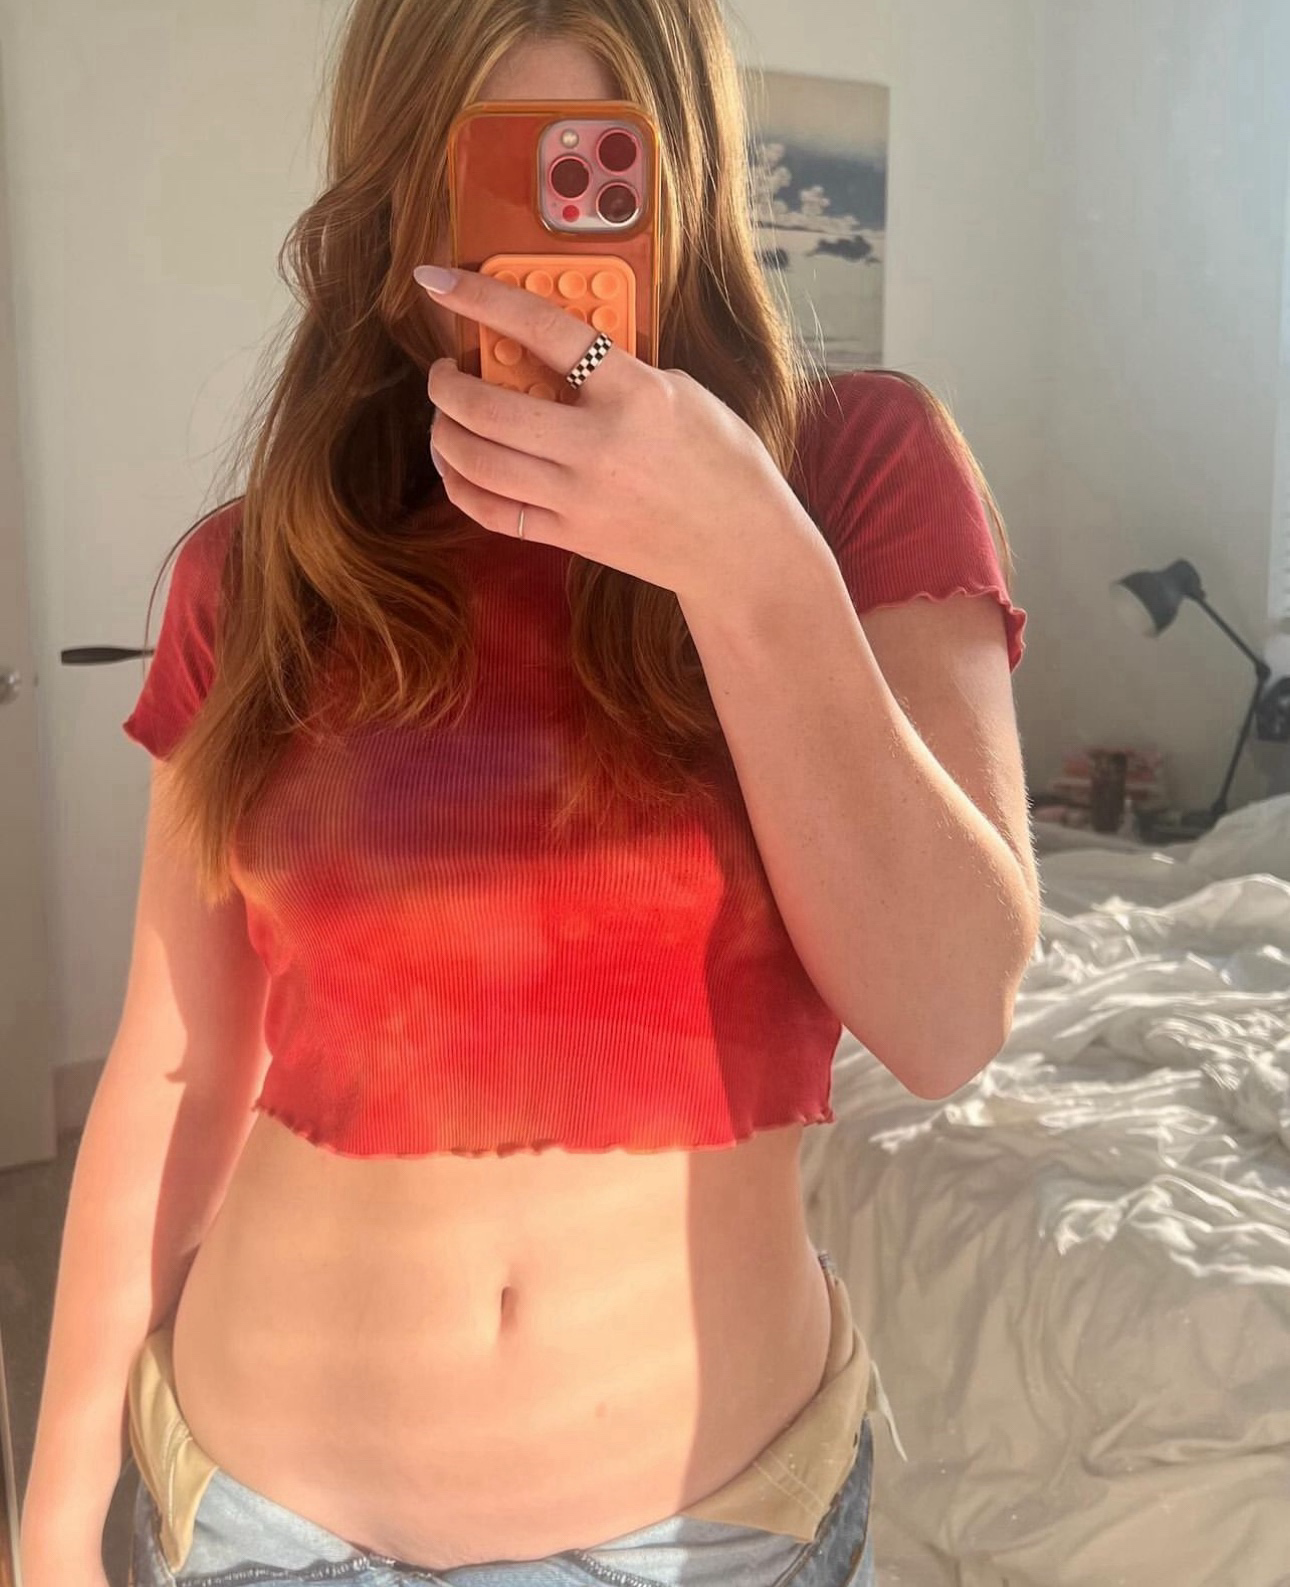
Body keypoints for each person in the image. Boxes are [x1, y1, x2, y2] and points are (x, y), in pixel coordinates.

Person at [19, 2, 1039, 1585]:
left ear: (681, 176)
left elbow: (950, 1013)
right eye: (492, 181)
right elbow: (174, 1071)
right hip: (259, 1523)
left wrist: (747, 560)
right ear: (394, 208)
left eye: (595, 176)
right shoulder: (268, 568)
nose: (535, 259)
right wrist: (50, 1519)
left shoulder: (852, 473)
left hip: (703, 1536)